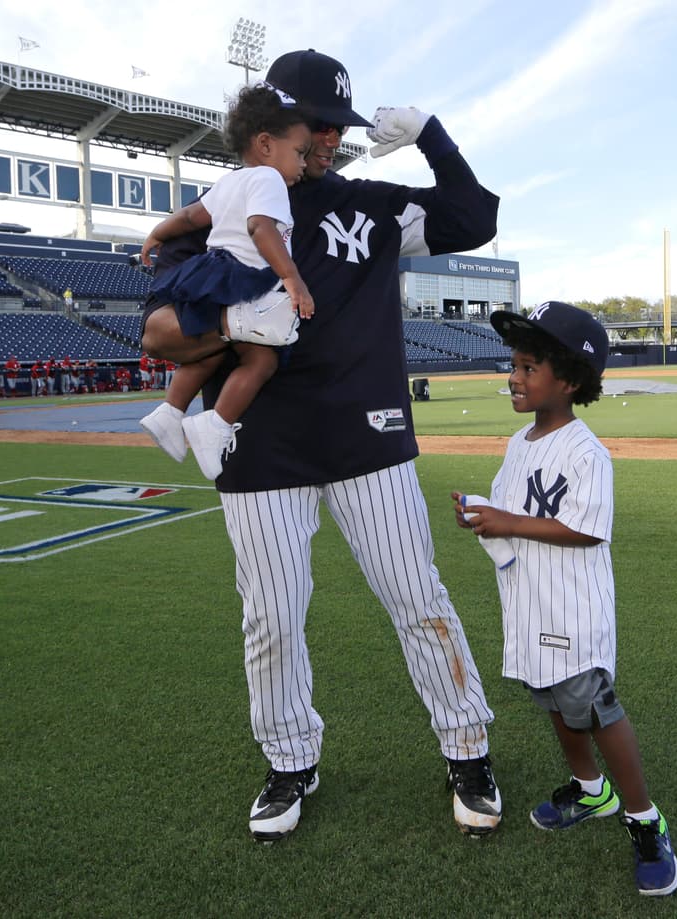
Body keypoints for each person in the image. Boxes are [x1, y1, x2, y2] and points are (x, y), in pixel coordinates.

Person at [140, 50, 502, 842]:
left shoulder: (368, 207)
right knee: (270, 615)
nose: (332, 138)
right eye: (319, 123)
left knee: (418, 597)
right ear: (274, 125)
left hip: (365, 435)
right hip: (257, 441)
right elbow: (160, 328)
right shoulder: (224, 204)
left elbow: (474, 219)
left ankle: (467, 746)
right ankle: (289, 759)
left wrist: (432, 136)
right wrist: (235, 324)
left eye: (340, 126)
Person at [454, 302, 677, 897]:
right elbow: (512, 511)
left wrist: (504, 519)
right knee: (551, 697)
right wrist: (483, 515)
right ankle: (590, 789)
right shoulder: (520, 441)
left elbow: (586, 528)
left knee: (594, 706)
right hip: (528, 601)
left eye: (530, 367)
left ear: (571, 381)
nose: (515, 377)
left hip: (571, 606)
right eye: (514, 365)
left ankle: (644, 819)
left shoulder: (586, 452)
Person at [137, 83, 314, 481]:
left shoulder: (232, 181)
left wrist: (157, 233)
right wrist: (292, 276)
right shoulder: (269, 180)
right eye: (299, 152)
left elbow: (189, 218)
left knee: (209, 347)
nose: (303, 164)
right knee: (263, 358)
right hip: (244, 275)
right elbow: (259, 227)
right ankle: (213, 424)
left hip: (215, 270)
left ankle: (170, 412)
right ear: (266, 144)